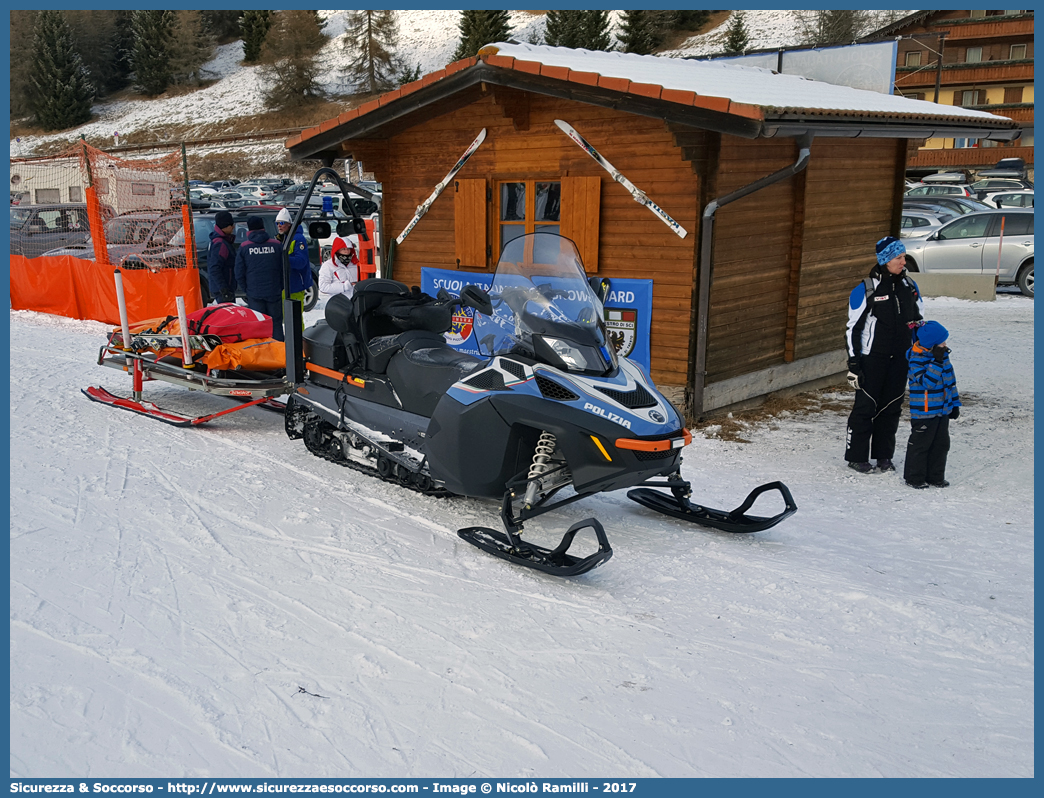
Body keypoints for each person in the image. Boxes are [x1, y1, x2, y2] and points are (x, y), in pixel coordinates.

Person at [844, 235, 924, 473]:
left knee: (891, 408)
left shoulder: (910, 286)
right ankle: (856, 456)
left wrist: (921, 352)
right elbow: (852, 328)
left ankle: (883, 456)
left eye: (904, 256)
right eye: (898, 257)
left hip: (900, 358)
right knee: (865, 407)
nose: (904, 262)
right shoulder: (866, 288)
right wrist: (854, 363)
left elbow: (918, 322)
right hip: (872, 358)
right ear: (885, 260)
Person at [904, 321, 961, 489]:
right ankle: (914, 477)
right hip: (924, 412)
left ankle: (935, 476)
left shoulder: (942, 357)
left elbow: (950, 381)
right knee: (921, 445)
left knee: (941, 444)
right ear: (931, 345)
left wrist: (954, 404)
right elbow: (928, 383)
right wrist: (936, 361)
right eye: (942, 342)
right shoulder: (916, 361)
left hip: (942, 410)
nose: (945, 345)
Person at [234, 216, 284, 341]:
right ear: (263, 227)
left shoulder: (245, 247)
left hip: (254, 293)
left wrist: (247, 289)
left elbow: (239, 272)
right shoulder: (276, 245)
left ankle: (262, 353)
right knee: (276, 324)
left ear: (248, 229)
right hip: (274, 292)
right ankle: (280, 352)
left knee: (258, 325)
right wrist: (280, 286)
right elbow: (284, 268)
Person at [276, 207, 313, 310]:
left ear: (289, 224)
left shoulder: (298, 239)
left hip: (295, 286)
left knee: (295, 318)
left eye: (282, 223)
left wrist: (282, 259)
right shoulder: (283, 238)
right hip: (285, 286)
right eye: (277, 223)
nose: (279, 226)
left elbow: (301, 262)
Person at [206, 210, 237, 305]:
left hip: (223, 288)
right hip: (224, 290)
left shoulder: (218, 241)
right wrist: (224, 289)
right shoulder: (221, 244)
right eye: (232, 225)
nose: (233, 227)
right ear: (226, 226)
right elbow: (215, 268)